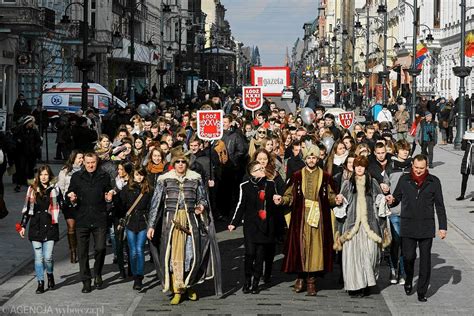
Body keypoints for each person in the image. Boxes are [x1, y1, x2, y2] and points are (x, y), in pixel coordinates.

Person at [147, 150, 222, 305]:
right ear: (173, 164)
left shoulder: (195, 178)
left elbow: (203, 198)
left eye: (183, 162)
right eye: (177, 162)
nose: (180, 164)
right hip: (171, 223)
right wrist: (151, 225)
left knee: (191, 255)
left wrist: (201, 206)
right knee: (173, 258)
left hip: (191, 222)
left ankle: (189, 286)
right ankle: (177, 290)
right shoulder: (164, 179)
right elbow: (156, 204)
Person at [274, 144, 336, 296]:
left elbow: (331, 196)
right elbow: (289, 195)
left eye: (314, 157)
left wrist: (337, 199)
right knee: (300, 247)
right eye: (309, 157)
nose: (311, 160)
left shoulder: (325, 176)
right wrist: (282, 200)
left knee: (316, 248)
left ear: (318, 158)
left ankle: (311, 281)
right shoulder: (296, 176)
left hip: (318, 218)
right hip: (300, 217)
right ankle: (300, 276)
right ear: (305, 159)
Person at [387, 154, 447, 302]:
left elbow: (439, 205)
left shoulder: (434, 182)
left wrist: (443, 227)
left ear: (426, 167)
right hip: (408, 225)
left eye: (422, 168)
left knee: (425, 261)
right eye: (416, 168)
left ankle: (422, 291)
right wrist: (391, 200)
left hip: (426, 226)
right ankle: (408, 279)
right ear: (412, 166)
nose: (419, 171)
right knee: (408, 257)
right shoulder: (404, 179)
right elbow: (396, 199)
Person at [334, 156, 390, 297]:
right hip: (352, 226)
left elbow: (379, 200)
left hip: (369, 226)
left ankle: (366, 283)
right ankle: (355, 286)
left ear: (366, 168)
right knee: (353, 258)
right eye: (357, 166)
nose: (359, 168)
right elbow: (342, 201)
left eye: (362, 166)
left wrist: (384, 198)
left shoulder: (372, 182)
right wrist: (340, 199)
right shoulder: (348, 183)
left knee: (370, 255)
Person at [228, 161, 279, 294]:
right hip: (251, 224)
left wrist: (276, 201)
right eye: (258, 169)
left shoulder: (271, 184)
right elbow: (241, 205)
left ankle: (256, 282)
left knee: (260, 255)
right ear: (252, 173)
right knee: (250, 253)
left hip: (265, 224)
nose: (262, 170)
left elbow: (274, 204)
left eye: (263, 168)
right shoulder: (245, 186)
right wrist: (234, 222)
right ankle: (247, 280)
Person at [67, 152, 114, 293]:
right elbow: (70, 192)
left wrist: (109, 197)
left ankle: (98, 273)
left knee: (100, 248)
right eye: (87, 163)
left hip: (99, 218)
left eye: (92, 162)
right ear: (83, 163)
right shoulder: (77, 177)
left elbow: (109, 191)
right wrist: (71, 197)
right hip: (82, 219)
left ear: (96, 162)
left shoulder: (104, 176)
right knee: (82, 253)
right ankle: (86, 281)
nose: (90, 165)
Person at [18, 165, 62, 294]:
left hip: (50, 226)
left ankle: (50, 274)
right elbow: (27, 210)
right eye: (41, 174)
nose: (43, 177)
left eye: (46, 175)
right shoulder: (32, 190)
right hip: (35, 227)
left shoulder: (55, 190)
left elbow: (61, 204)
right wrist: (22, 226)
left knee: (48, 257)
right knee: (39, 258)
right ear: (38, 176)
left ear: (50, 176)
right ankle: (40, 282)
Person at [118, 166, 152, 291]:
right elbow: (121, 206)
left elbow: (151, 206)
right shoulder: (126, 189)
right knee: (132, 251)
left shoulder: (148, 189)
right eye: (137, 175)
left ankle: (139, 277)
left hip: (143, 221)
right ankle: (133, 271)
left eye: (141, 175)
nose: (139, 177)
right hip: (131, 221)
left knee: (139, 249)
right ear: (133, 175)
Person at [386, 140, 412, 285]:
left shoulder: (411, 166)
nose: (405, 152)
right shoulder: (391, 166)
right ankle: (393, 269)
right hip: (395, 210)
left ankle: (402, 271)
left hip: (409, 212)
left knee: (405, 243)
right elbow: (386, 185)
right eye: (402, 149)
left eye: (407, 149)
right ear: (397, 151)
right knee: (396, 242)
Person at [57, 150, 84, 263]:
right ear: (73, 158)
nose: (81, 160)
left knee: (80, 228)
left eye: (82, 158)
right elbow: (60, 187)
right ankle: (73, 250)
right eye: (79, 158)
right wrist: (64, 199)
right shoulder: (65, 171)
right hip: (69, 204)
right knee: (71, 227)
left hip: (82, 203)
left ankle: (81, 249)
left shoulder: (85, 170)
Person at [456, 130, 474, 201]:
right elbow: (463, 148)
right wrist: (464, 139)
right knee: (464, 179)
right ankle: (462, 195)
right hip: (466, 162)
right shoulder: (468, 142)